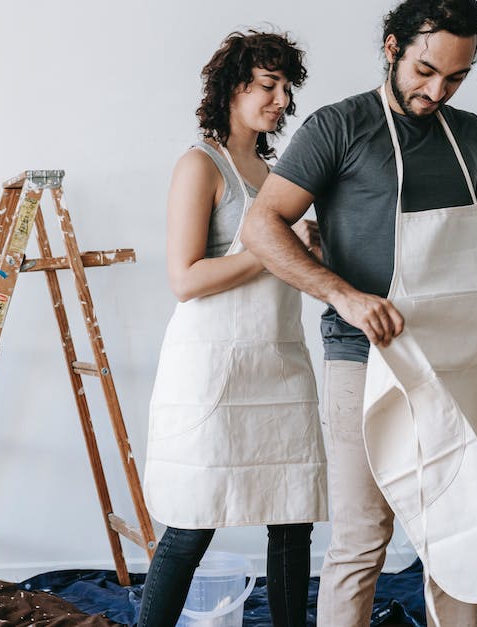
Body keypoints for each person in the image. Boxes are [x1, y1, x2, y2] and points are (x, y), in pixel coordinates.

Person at [240, 0, 477, 625]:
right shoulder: (337, 127)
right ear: (392, 48)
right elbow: (260, 226)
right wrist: (342, 295)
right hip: (365, 362)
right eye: (425, 71)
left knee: (464, 529)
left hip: (460, 361)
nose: (437, 91)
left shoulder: (470, 135)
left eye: (455, 78)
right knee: (361, 537)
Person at [139, 30, 327, 627]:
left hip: (278, 361)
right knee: (194, 521)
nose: (280, 100)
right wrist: (274, 247)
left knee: (294, 517)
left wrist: (307, 251)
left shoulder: (275, 170)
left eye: (285, 88)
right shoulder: (200, 164)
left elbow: (284, 268)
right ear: (231, 89)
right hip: (216, 367)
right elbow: (185, 278)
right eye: (268, 85)